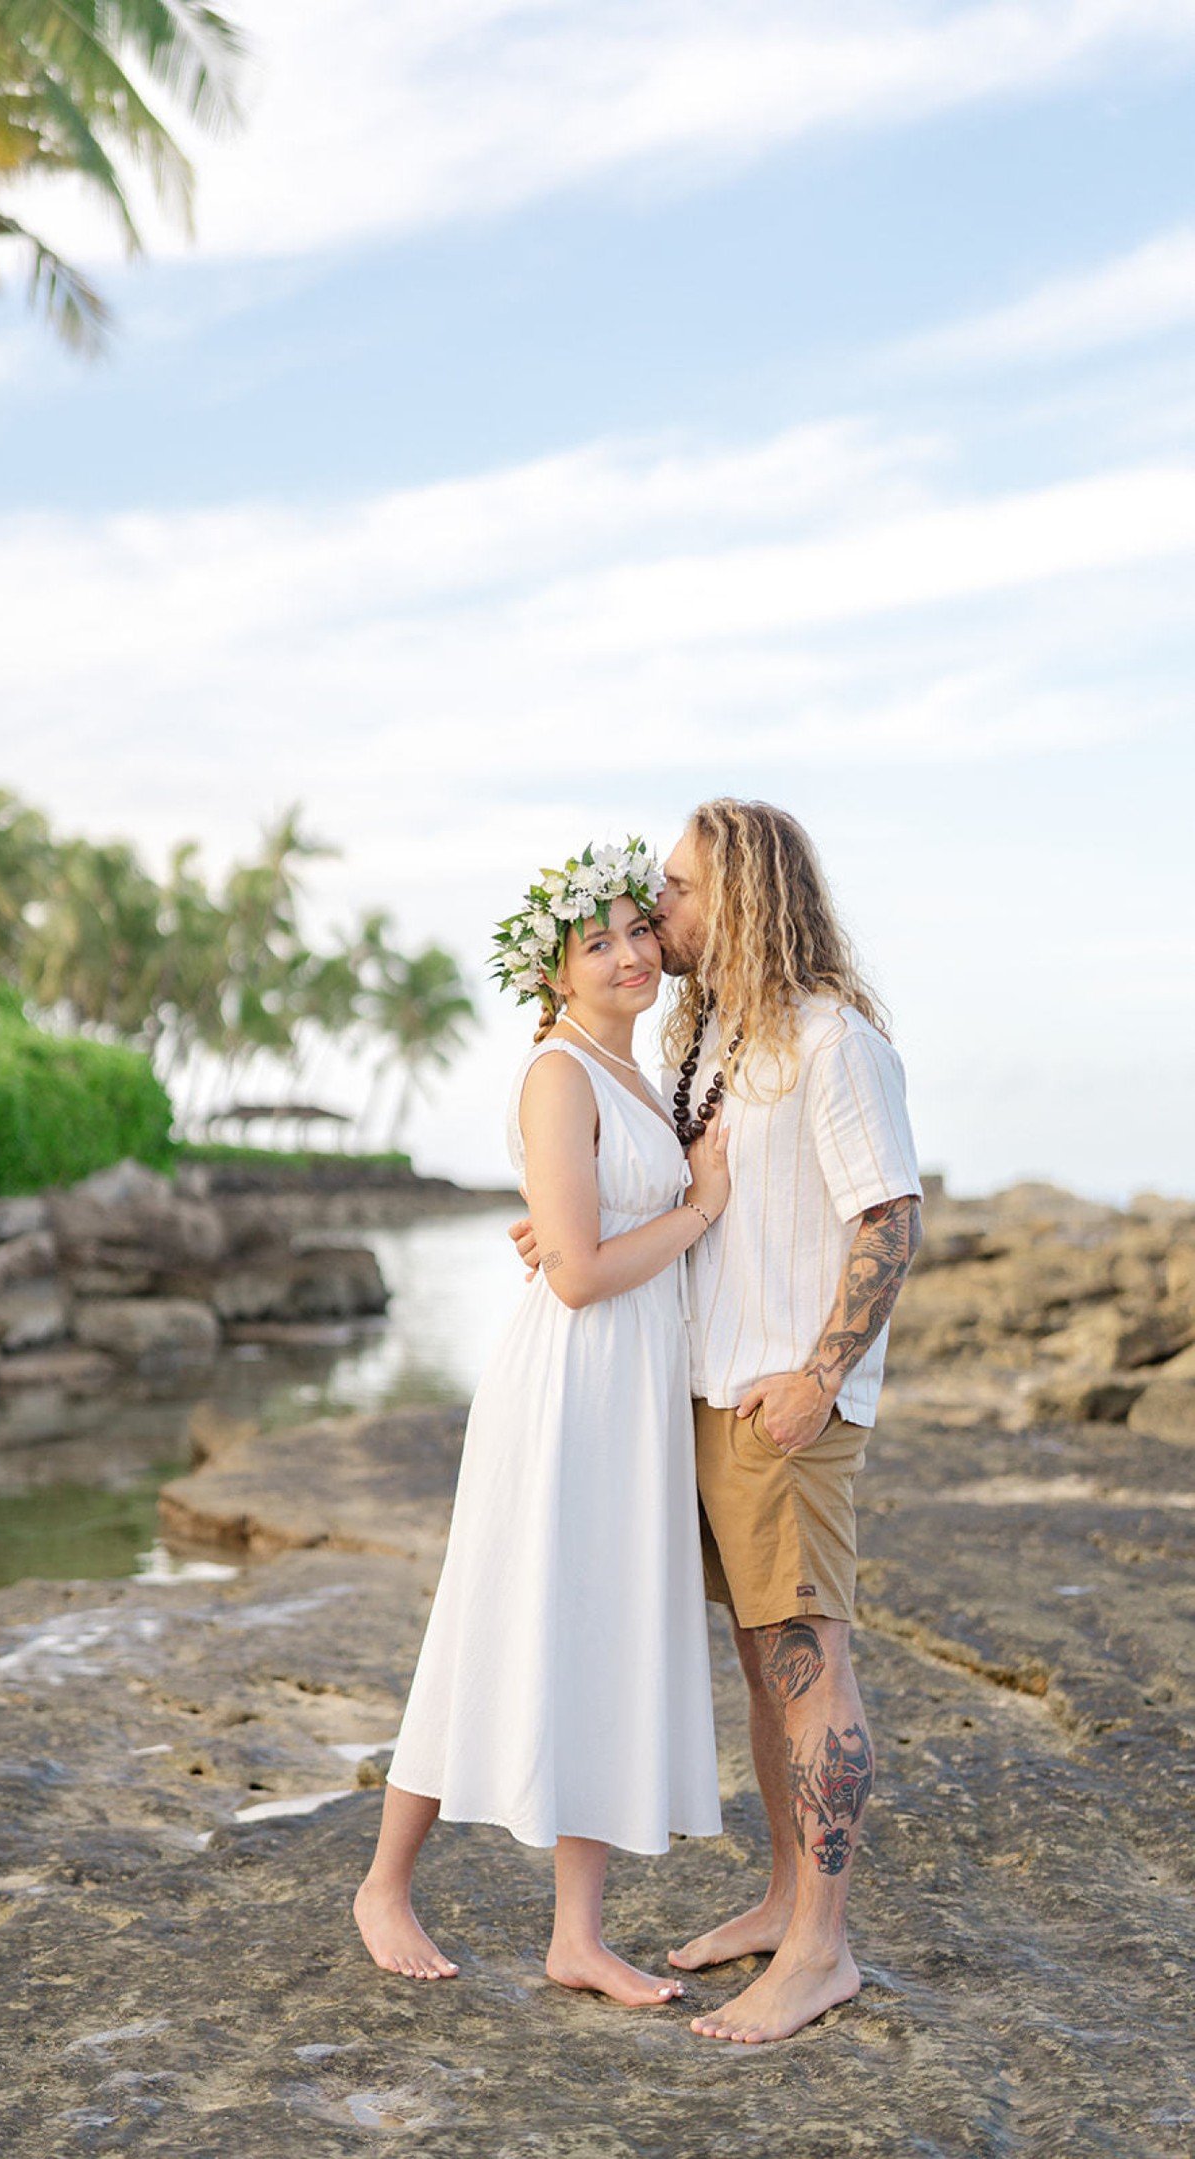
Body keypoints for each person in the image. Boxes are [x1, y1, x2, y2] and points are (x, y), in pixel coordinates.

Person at [514, 799, 923, 2046]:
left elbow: (891, 1219)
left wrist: (817, 1375)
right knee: (761, 1662)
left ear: (743, 895)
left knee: (810, 1667)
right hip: (700, 1396)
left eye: (680, 891)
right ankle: (785, 1896)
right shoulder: (712, 1033)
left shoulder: (830, 1041)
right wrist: (568, 1230)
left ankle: (821, 1950)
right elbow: (688, 1201)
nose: (659, 912)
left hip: (778, 1408)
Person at [354, 841, 730, 2007]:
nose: (628, 952)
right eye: (596, 942)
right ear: (555, 976)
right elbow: (572, 1274)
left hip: (634, 1382)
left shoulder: (643, 1073)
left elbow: (585, 1234)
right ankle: (383, 1880)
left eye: (635, 929)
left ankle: (579, 1934)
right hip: (570, 1378)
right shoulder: (559, 1073)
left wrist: (669, 1217)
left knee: (607, 1627)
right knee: (492, 1614)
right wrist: (701, 1207)